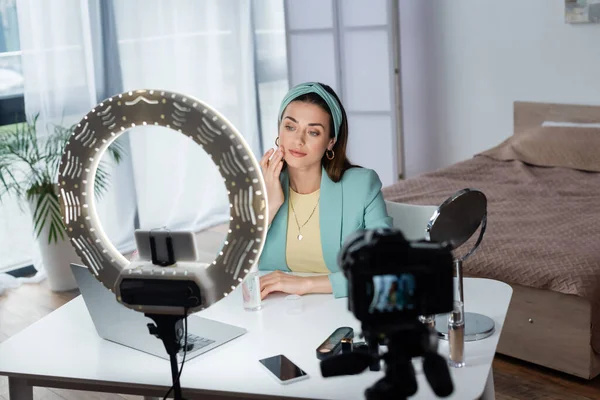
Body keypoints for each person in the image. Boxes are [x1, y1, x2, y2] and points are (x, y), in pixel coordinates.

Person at [258, 82, 392, 300]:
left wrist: (305, 284)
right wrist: (270, 205)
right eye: (290, 127)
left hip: (342, 309)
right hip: (274, 310)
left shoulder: (362, 185)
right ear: (279, 130)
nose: (298, 140)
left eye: (313, 132)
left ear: (331, 141)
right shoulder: (262, 183)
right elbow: (233, 264)